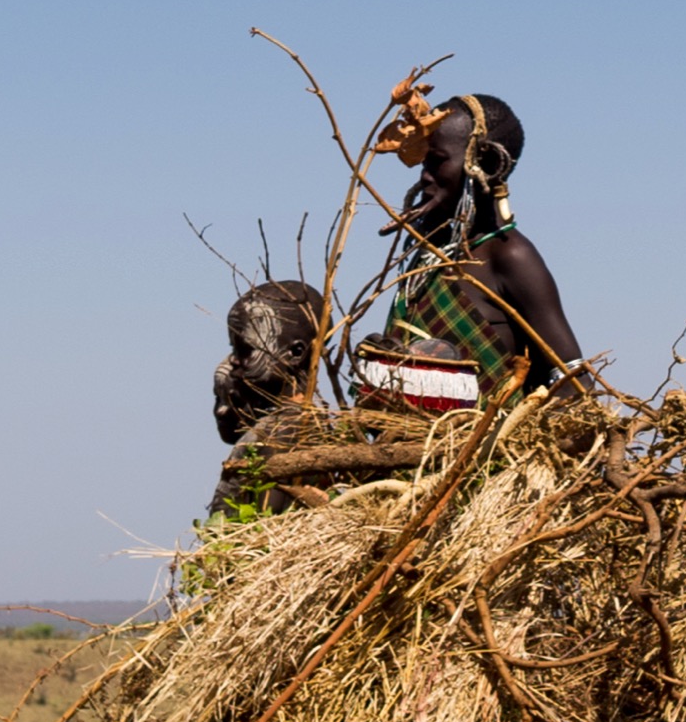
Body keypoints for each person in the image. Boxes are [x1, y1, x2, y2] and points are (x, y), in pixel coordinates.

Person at [373, 90, 583, 395]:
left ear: (484, 161)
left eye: (438, 161)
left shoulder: (509, 255)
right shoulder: (428, 253)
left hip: (488, 440)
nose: (426, 176)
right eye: (424, 162)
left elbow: (572, 382)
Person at [207, 280, 327, 517]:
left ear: (295, 353)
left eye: (246, 349)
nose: (234, 361)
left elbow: (266, 516)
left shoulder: (288, 428)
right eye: (234, 348)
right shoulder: (279, 424)